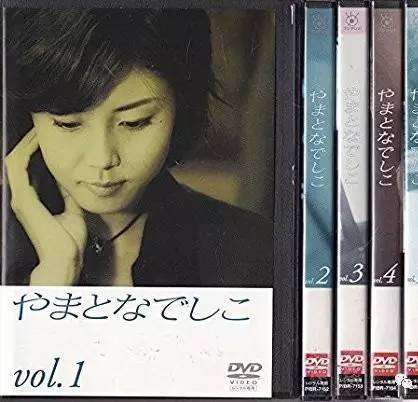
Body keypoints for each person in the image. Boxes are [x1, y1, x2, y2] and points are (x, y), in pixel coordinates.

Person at [3, 8, 273, 287]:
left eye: (134, 122)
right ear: (28, 117)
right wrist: (52, 279)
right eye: (68, 124)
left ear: (181, 108)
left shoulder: (254, 251)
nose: (102, 158)